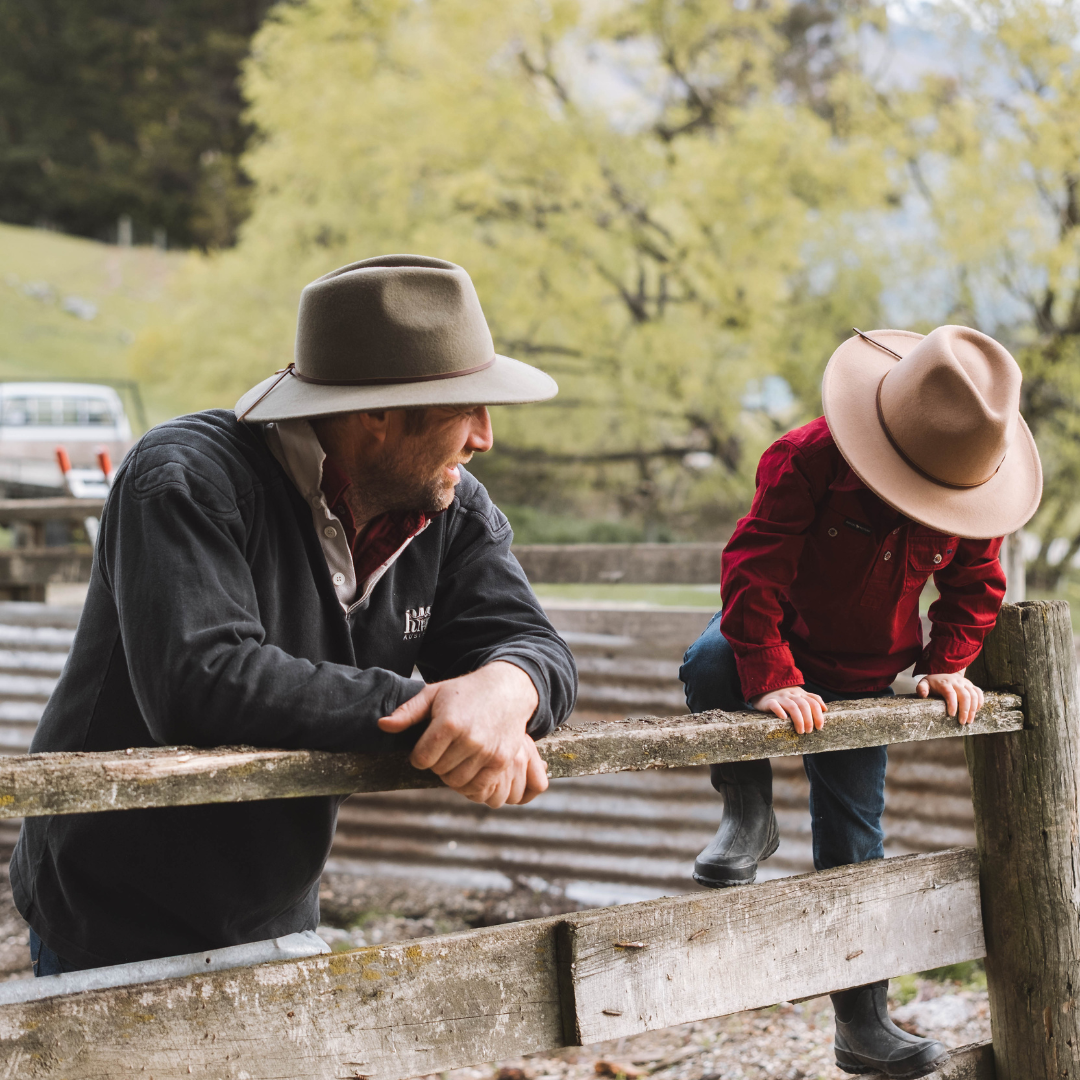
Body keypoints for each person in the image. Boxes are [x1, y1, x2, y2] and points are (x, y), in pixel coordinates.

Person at [11, 254, 577, 976]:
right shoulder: (184, 477)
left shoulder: (452, 508)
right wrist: (433, 708)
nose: (485, 436)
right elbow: (205, 680)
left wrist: (504, 690)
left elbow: (534, 645)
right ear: (377, 413)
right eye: (466, 406)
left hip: (279, 903)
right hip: (110, 910)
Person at [679, 325, 1041, 1079]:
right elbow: (754, 565)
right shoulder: (807, 457)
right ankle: (747, 813)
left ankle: (863, 1022)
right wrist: (772, 673)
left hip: (863, 672)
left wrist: (945, 666)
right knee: (710, 659)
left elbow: (976, 589)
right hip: (777, 637)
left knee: (854, 837)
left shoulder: (972, 495)